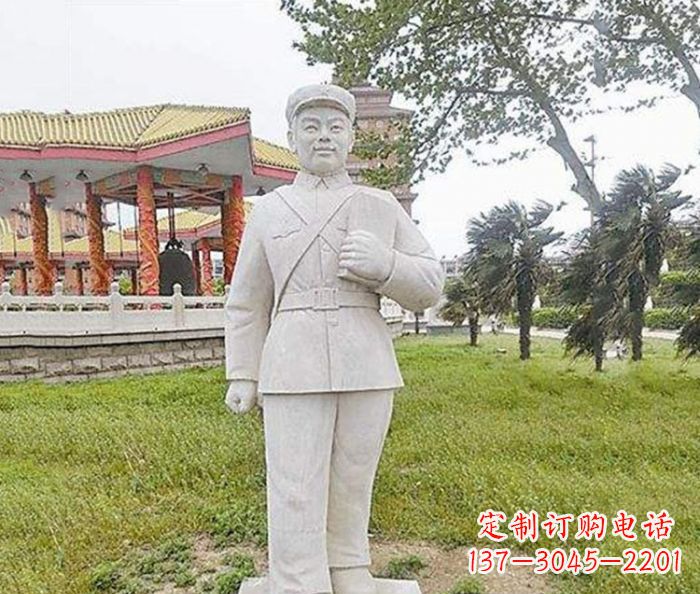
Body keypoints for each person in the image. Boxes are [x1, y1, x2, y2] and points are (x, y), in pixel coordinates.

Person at [224, 83, 444, 594]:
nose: (324, 137)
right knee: (295, 480)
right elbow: (247, 300)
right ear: (292, 137)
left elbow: (431, 284)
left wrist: (386, 266)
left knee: (352, 475)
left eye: (335, 127)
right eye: (311, 126)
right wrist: (243, 371)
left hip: (364, 353)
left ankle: (347, 568)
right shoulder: (270, 212)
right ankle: (299, 578)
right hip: (292, 355)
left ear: (351, 138)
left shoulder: (379, 205)